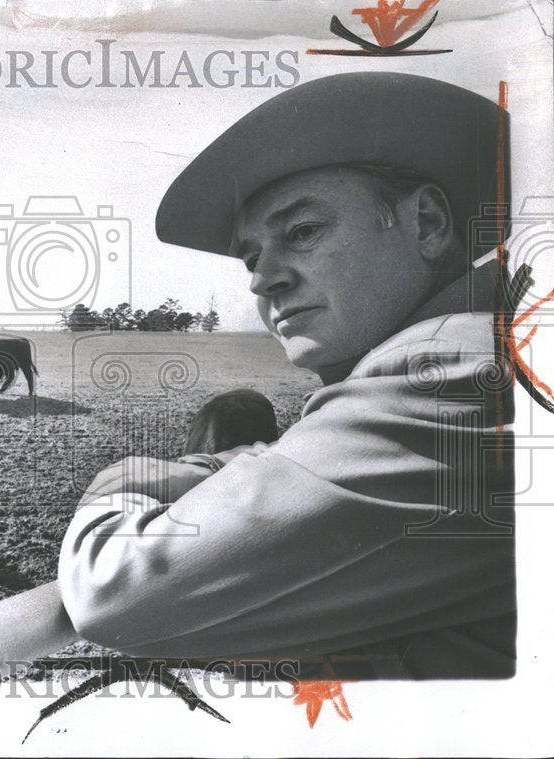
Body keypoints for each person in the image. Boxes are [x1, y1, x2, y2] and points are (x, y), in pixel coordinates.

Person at [57, 72, 519, 679]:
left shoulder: (445, 375)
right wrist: (208, 470)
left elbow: (115, 593)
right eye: (252, 257)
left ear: (426, 223)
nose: (260, 279)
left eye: (302, 232)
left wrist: (115, 490)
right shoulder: (487, 344)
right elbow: (321, 460)